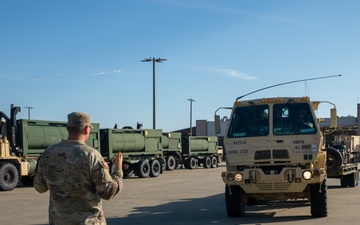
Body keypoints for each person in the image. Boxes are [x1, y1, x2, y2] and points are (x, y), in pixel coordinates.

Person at [33, 112, 123, 225]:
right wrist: (117, 170)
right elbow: (108, 192)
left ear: (67, 128)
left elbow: (39, 187)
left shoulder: (49, 153)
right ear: (86, 129)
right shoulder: (92, 155)